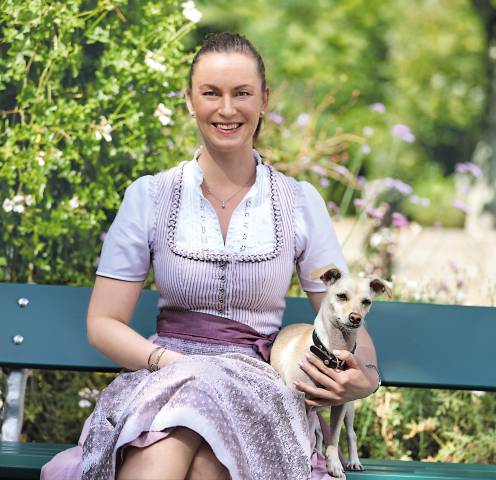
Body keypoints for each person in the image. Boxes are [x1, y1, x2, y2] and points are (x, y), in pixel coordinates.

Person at [40, 32, 380, 480]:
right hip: (163, 374)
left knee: (201, 444)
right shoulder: (151, 197)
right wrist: (174, 365)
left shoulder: (299, 202)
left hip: (257, 385)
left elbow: (342, 311)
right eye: (211, 93)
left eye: (242, 93)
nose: (226, 109)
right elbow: (102, 324)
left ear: (264, 101)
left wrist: (366, 376)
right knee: (184, 429)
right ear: (189, 101)